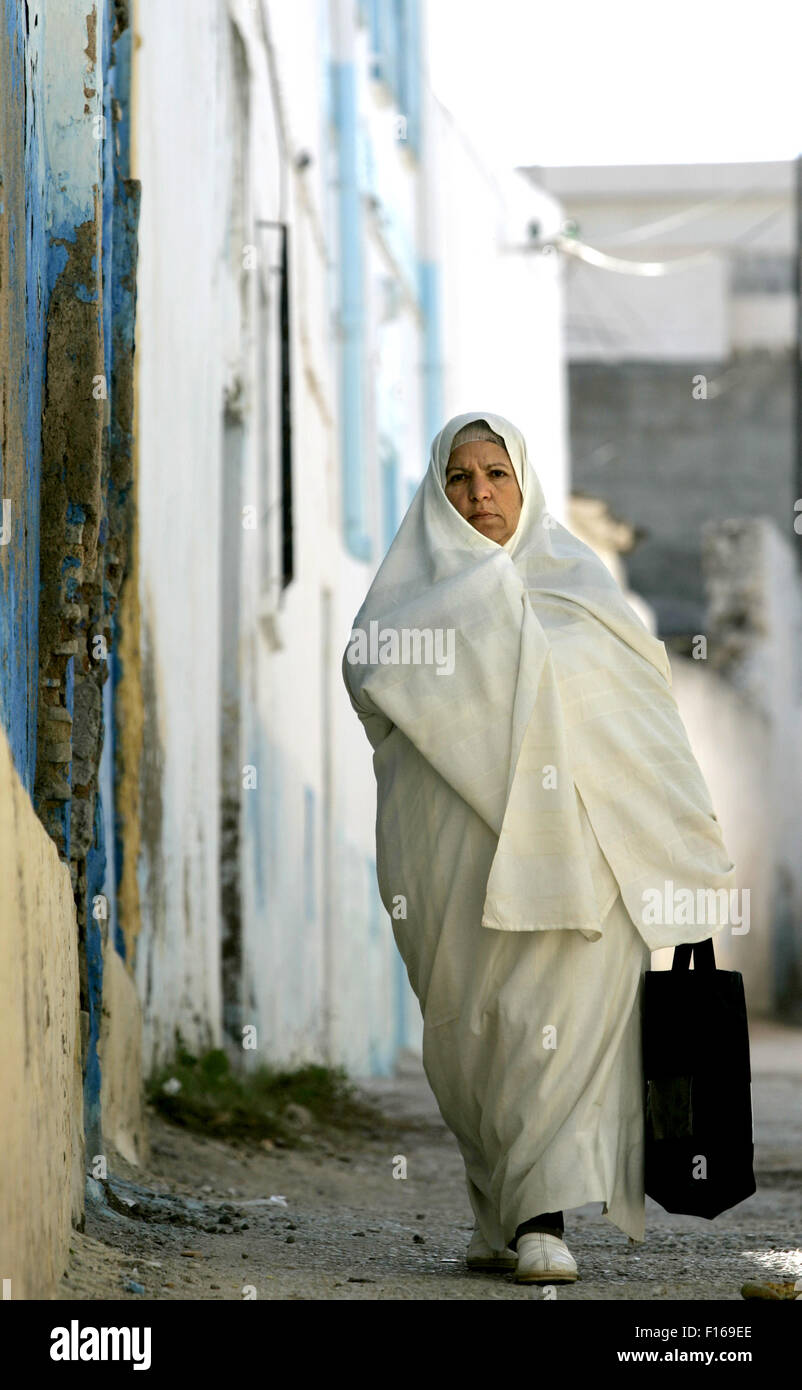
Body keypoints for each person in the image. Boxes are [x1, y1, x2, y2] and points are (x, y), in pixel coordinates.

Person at [342, 412, 735, 1285]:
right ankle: (502, 1210)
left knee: (547, 1040)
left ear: (525, 485)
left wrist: (684, 858)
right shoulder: (405, 606)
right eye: (459, 478)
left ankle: (541, 1221)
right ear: (438, 494)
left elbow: (646, 732)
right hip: (456, 877)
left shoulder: (587, 596)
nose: (480, 493)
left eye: (497, 474)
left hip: (586, 879)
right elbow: (371, 679)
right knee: (477, 1041)